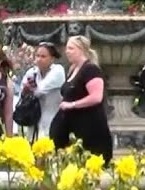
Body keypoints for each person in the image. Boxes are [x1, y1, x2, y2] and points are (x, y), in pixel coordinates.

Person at [50, 36, 113, 165]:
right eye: (67, 48)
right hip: (69, 127)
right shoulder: (72, 69)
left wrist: (72, 105)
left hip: (88, 127)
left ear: (82, 50)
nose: (67, 51)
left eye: (71, 48)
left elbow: (96, 97)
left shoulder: (91, 70)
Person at [16, 42, 66, 141]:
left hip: (52, 121)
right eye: (37, 56)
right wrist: (25, 91)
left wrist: (30, 90)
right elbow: (22, 92)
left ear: (52, 58)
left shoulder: (58, 71)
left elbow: (40, 90)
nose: (39, 59)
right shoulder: (32, 72)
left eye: (43, 56)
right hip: (33, 122)